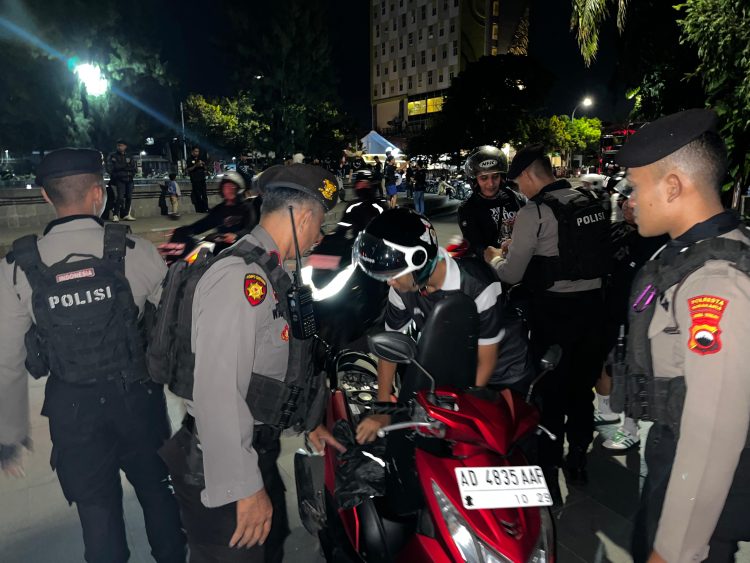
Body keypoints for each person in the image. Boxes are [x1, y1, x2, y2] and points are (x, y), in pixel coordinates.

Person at [0, 148, 186, 563]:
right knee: (158, 493)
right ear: (99, 193)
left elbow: (6, 360)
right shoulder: (136, 251)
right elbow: (178, 327)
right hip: (139, 402)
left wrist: (8, 437)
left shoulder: (16, 268)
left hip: (73, 411)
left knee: (96, 513)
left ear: (46, 196)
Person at [159, 163, 345, 562]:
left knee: (270, 548)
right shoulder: (240, 278)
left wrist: (308, 420)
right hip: (219, 463)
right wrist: (243, 487)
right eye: (319, 224)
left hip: (254, 449)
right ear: (303, 217)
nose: (319, 236)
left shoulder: (270, 271)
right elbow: (218, 391)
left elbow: (274, 366)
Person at [609, 109, 750, 563]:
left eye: (635, 186)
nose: (630, 200)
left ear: (672, 186)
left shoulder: (716, 282)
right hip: (672, 461)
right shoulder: (684, 255)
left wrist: (673, 550)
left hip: (700, 494)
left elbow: (712, 434)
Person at [484, 145, 610, 502]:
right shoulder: (588, 200)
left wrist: (494, 258)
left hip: (554, 315)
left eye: (518, 182)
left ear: (528, 175)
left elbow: (512, 273)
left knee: (550, 395)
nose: (519, 189)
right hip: (594, 311)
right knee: (581, 390)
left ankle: (550, 473)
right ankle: (579, 459)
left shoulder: (535, 211)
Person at [353, 208, 533, 444]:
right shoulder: (402, 288)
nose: (390, 282)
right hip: (456, 368)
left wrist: (461, 412)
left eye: (394, 274)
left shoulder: (477, 285)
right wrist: (383, 407)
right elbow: (390, 348)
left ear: (420, 261)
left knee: (501, 447)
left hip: (503, 375)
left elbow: (486, 361)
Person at [593, 182, 668, 451]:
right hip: (611, 311)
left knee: (632, 370)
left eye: (634, 199)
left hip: (637, 319)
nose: (627, 204)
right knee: (607, 361)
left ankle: (631, 428)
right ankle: (607, 410)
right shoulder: (619, 231)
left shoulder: (658, 240)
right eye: (624, 199)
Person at [459, 145, 526, 255]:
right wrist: (495, 254)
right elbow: (475, 245)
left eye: (495, 176)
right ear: (475, 181)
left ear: (501, 177)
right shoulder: (468, 208)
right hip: (491, 263)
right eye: (484, 178)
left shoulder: (516, 199)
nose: (491, 184)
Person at [106, 139, 137, 221]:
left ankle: (126, 214)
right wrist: (125, 167)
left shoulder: (129, 156)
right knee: (120, 197)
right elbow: (111, 168)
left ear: (125, 146)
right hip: (119, 179)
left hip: (129, 179)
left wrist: (121, 167)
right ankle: (115, 214)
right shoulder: (113, 156)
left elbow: (134, 168)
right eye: (118, 146)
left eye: (121, 145)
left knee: (129, 197)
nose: (119, 147)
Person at [187, 147, 209, 213]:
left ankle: (206, 208)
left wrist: (204, 164)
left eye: (198, 151)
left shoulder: (200, 159)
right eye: (196, 151)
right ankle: (200, 209)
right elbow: (189, 169)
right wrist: (196, 165)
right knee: (198, 195)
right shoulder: (189, 159)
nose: (197, 153)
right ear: (192, 152)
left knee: (204, 194)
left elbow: (205, 168)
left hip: (202, 179)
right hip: (195, 180)